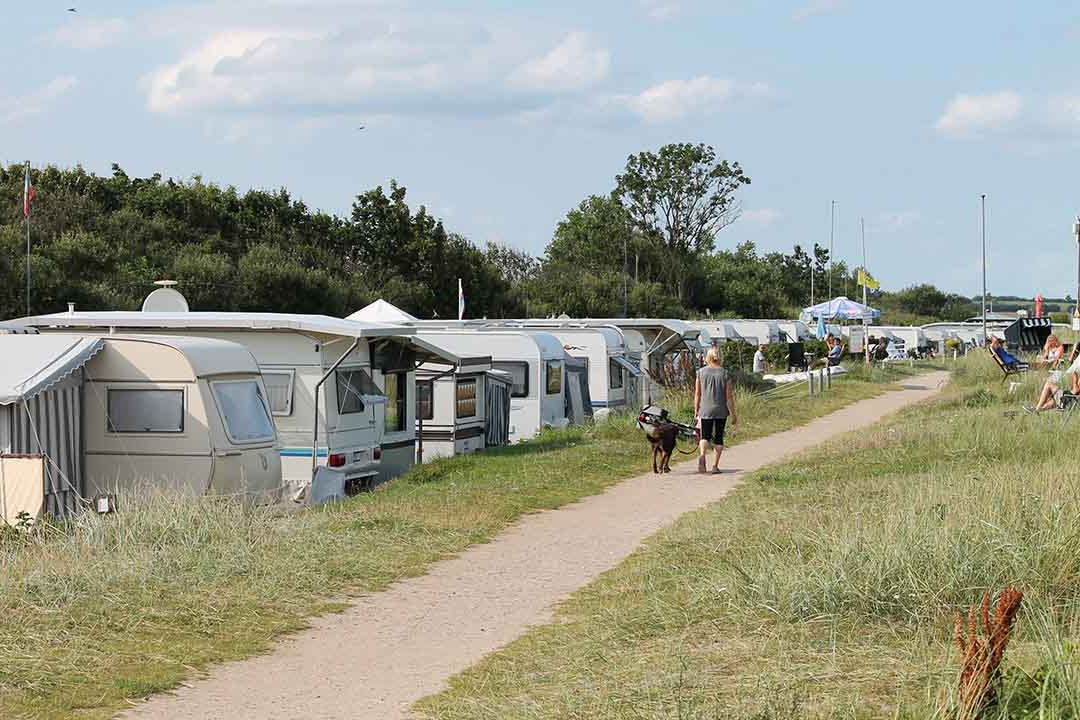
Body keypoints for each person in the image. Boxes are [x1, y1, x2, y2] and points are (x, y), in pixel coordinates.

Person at [694, 345, 737, 474]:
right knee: (718, 437)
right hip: (720, 410)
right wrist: (734, 414)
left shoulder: (701, 372)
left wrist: (696, 409)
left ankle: (702, 455)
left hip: (705, 409)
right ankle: (715, 466)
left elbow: (697, 393)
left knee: (704, 436)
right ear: (720, 357)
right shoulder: (725, 373)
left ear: (708, 357)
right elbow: (729, 397)